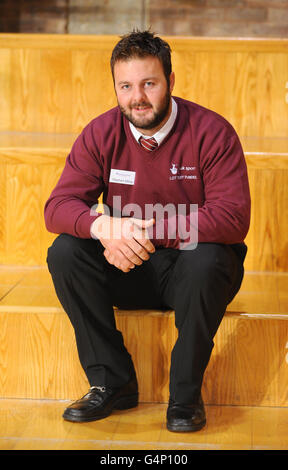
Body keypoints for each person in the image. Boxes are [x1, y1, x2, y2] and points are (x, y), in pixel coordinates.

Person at [45, 30, 250, 433]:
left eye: (149, 83)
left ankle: (185, 396)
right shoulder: (101, 133)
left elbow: (232, 217)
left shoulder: (213, 132)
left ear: (171, 82)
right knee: (65, 251)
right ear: (116, 88)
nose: (137, 97)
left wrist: (148, 233)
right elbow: (58, 207)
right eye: (125, 86)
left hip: (192, 274)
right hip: (127, 266)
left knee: (208, 257)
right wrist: (104, 226)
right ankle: (111, 382)